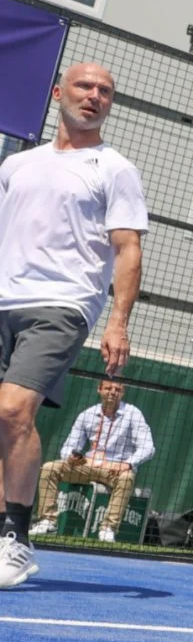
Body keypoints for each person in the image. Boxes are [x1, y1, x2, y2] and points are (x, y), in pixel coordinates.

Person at [0, 63, 148, 590]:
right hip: (4, 301)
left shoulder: (114, 169)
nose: (94, 97)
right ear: (58, 92)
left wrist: (118, 321)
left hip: (63, 304)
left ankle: (17, 539)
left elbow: (128, 248)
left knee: (13, 409)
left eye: (105, 91)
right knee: (3, 423)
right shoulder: (17, 165)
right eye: (85, 87)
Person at [29, 379, 154, 542]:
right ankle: (48, 521)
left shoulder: (133, 414)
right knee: (49, 468)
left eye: (117, 389)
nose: (112, 392)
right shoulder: (87, 414)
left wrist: (128, 463)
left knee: (127, 478)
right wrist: (71, 457)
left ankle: (108, 528)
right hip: (87, 464)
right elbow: (69, 446)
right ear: (99, 390)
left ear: (123, 393)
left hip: (115, 468)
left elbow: (148, 447)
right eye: (108, 388)